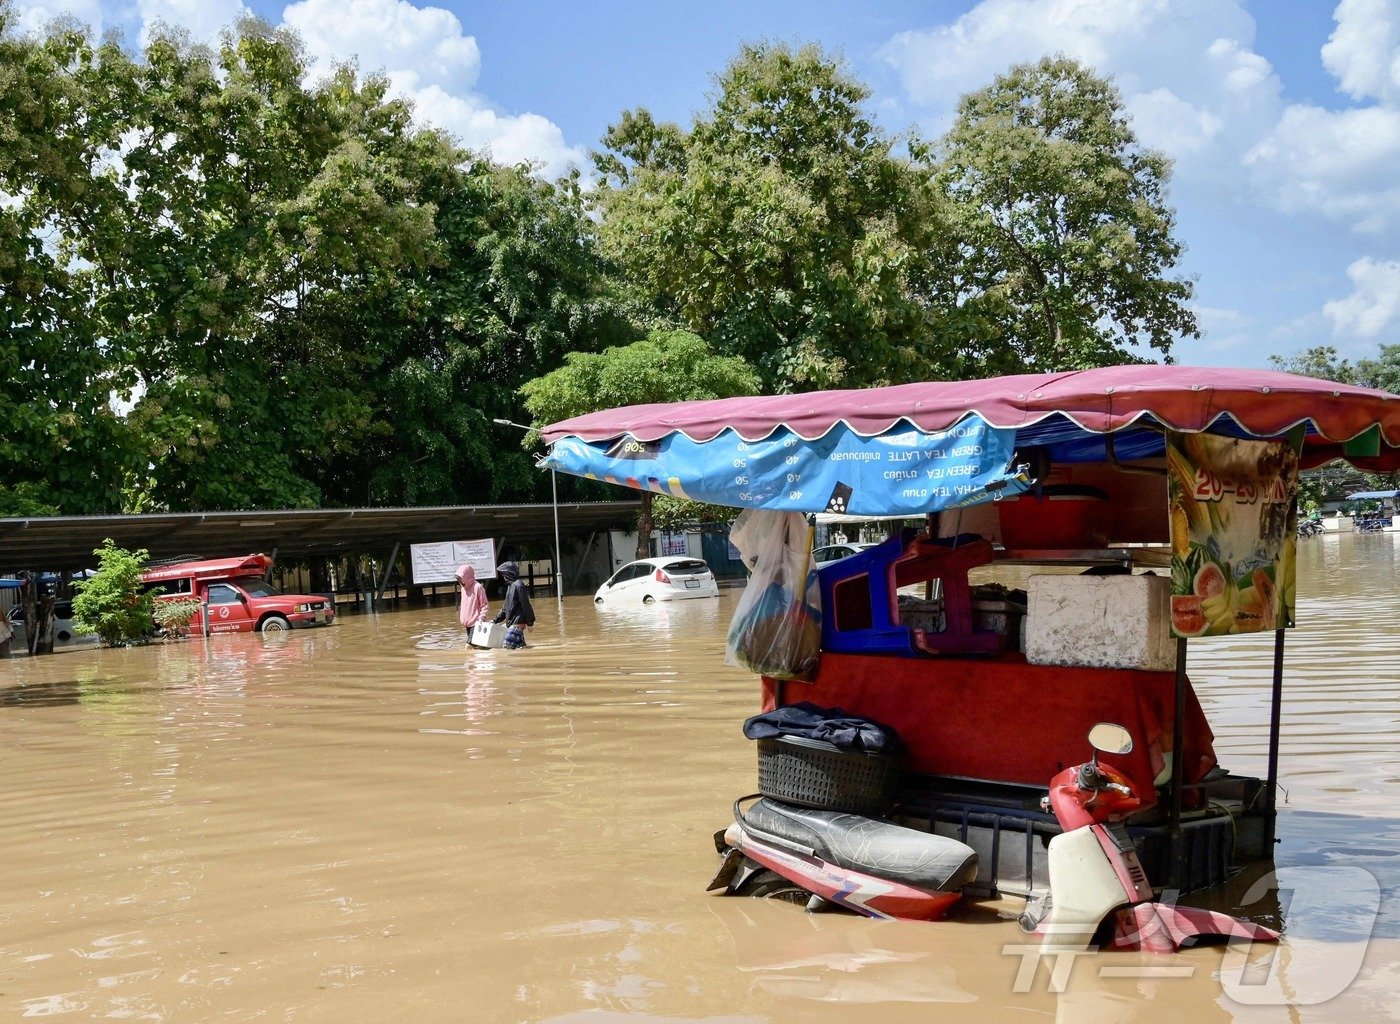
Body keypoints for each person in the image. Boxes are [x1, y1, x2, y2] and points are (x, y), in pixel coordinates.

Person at [493, 561, 536, 649]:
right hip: (513, 624)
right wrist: (495, 620)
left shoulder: (518, 585)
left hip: (517, 624)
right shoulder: (510, 586)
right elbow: (505, 608)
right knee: (522, 649)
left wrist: (530, 623)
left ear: (509, 573)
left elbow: (526, 605)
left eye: (504, 574)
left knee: (506, 647)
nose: (503, 577)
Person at [456, 564, 489, 630]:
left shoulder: (478, 587)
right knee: (470, 640)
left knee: (471, 640)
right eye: (458, 579)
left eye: (461, 578)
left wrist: (482, 617)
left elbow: (484, 605)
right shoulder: (463, 588)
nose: (459, 581)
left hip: (476, 623)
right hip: (467, 623)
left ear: (466, 577)